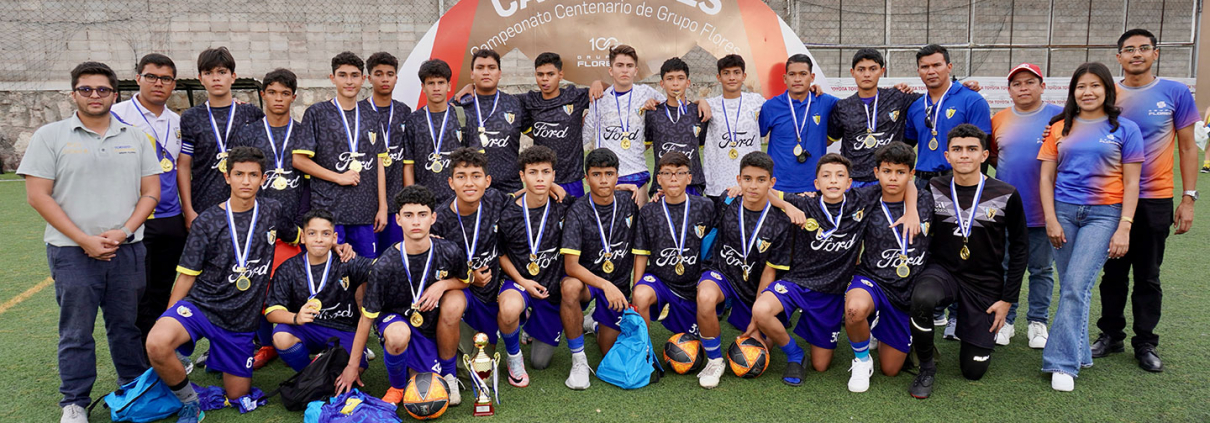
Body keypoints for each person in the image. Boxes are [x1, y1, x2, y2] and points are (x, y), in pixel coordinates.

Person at [19, 61, 161, 423]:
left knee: (126, 327)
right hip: (72, 253)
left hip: (126, 250)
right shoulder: (50, 136)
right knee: (76, 331)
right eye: (86, 89)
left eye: (102, 89)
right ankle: (74, 402)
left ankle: (134, 391)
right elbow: (38, 195)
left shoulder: (135, 137)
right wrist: (84, 239)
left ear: (115, 95)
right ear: (73, 94)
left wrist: (124, 231)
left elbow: (151, 192)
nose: (94, 95)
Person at [145, 146, 299, 422]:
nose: (246, 181)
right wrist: (167, 316)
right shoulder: (207, 221)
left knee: (238, 395)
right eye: (239, 174)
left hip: (240, 322)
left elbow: (299, 236)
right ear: (227, 177)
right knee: (157, 342)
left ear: (263, 179)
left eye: (253, 175)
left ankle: (219, 356)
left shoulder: (272, 210)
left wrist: (336, 245)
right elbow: (187, 276)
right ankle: (189, 401)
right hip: (203, 307)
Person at [752, 150, 917, 387]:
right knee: (761, 310)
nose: (833, 181)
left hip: (831, 293)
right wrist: (787, 206)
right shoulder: (803, 203)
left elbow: (906, 183)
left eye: (840, 175)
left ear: (849, 183)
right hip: (797, 282)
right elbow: (765, 191)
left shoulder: (861, 199)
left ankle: (871, 327)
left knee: (821, 365)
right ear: (816, 183)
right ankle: (795, 354)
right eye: (826, 176)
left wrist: (912, 211)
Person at [1094, 29, 1200, 372]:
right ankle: (1111, 335)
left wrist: (1188, 198)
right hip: (1111, 199)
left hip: (1154, 198)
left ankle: (1145, 342)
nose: (1136, 54)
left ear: (1155, 54)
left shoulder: (1175, 92)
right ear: (1119, 57)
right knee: (1112, 273)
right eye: (1129, 49)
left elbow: (1187, 147)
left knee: (1148, 275)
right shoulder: (1107, 94)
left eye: (1143, 48)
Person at [1039, 62, 1143, 392]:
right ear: (1073, 92)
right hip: (1063, 213)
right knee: (1073, 287)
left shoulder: (1126, 129)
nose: (1088, 92)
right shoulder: (1059, 128)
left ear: (1107, 89)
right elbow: (1046, 177)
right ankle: (1080, 352)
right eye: (1081, 86)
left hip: (1105, 215)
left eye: (1095, 85)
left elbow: (1132, 183)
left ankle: (1061, 363)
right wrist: (1051, 219)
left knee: (1075, 286)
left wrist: (1125, 226)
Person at [907, 124, 1028, 399]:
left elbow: (1020, 248)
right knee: (923, 298)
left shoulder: (1006, 193)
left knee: (973, 371)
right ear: (947, 156)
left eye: (972, 149)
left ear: (984, 155)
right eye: (957, 149)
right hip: (943, 271)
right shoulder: (934, 186)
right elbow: (907, 189)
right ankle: (926, 367)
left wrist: (1007, 300)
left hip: (984, 280)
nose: (964, 155)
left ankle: (970, 331)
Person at [357, 185, 471, 404]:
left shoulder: (449, 250)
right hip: (399, 320)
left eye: (422, 214)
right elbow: (367, 317)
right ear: (398, 219)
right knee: (399, 336)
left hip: (431, 320)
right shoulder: (385, 265)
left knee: (455, 301)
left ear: (433, 218)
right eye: (408, 215)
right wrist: (353, 367)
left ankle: (449, 375)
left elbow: (465, 281)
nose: (416, 222)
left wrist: (442, 285)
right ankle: (396, 387)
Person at [694, 152, 790, 388]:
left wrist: (756, 321)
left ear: (772, 182)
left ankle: (753, 320)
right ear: (738, 179)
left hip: (758, 285)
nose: (753, 186)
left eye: (761, 180)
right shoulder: (727, 201)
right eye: (747, 179)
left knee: (760, 348)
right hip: (724, 274)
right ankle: (715, 361)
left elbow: (770, 273)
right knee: (705, 296)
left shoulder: (780, 221)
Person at [110, 53, 187, 350]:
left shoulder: (176, 121)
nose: (158, 83)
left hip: (170, 218)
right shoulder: (116, 114)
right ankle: (138, 355)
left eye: (165, 79)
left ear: (173, 84)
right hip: (133, 219)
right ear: (138, 78)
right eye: (151, 76)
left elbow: (180, 166)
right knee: (134, 292)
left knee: (162, 289)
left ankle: (159, 349)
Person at [843, 145, 933, 393]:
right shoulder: (866, 198)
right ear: (876, 172)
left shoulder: (927, 200)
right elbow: (828, 195)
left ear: (911, 174)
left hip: (907, 289)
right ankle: (862, 361)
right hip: (872, 279)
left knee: (891, 369)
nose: (893, 178)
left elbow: (912, 189)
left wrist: (911, 209)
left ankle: (879, 324)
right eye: (887, 171)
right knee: (854, 310)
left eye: (900, 172)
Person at [988, 63, 1064, 348]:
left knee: (1041, 269)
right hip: (1006, 210)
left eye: (1029, 82)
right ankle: (1006, 321)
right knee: (1006, 267)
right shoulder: (999, 119)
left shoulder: (1059, 117)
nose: (1023, 88)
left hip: (1043, 209)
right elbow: (994, 156)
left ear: (1042, 86)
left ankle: (1037, 322)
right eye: (1017, 83)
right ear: (1009, 90)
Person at [293, 51, 388, 259]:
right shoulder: (317, 113)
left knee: (365, 270)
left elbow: (379, 162)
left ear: (363, 79)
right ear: (332, 78)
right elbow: (299, 160)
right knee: (331, 270)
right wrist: (338, 177)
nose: (349, 81)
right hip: (329, 212)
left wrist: (383, 206)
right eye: (342, 75)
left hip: (365, 212)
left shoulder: (372, 116)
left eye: (354, 75)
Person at [560, 148, 640, 389]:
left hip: (618, 286)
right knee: (569, 287)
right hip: (589, 283)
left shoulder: (629, 202)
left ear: (618, 176)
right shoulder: (577, 211)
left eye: (609, 174)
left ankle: (594, 324)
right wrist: (605, 285)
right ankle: (579, 360)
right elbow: (571, 266)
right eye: (596, 174)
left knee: (609, 350)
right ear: (587, 178)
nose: (603, 180)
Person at [264, 209, 370, 390]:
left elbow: (382, 269)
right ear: (303, 237)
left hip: (343, 328)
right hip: (307, 328)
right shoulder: (288, 268)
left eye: (326, 234)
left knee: (353, 373)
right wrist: (296, 317)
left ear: (334, 237)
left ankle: (324, 374)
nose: (319, 239)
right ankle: (310, 376)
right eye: (312, 233)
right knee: (281, 336)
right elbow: (271, 311)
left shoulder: (347, 260)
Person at [496, 145, 574, 386]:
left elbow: (598, 199)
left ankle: (531, 323)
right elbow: (500, 254)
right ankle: (513, 356)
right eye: (533, 172)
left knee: (540, 362)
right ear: (522, 175)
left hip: (551, 289)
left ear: (553, 175)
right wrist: (523, 281)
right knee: (509, 308)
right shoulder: (507, 212)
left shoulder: (564, 204)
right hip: (520, 283)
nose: (540, 178)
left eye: (545, 172)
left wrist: (625, 187)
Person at [430, 148, 509, 371]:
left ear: (487, 181)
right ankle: (448, 373)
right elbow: (434, 273)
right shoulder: (439, 221)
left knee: (483, 365)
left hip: (490, 293)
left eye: (476, 176)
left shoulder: (496, 200)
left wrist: (550, 187)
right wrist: (469, 278)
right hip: (458, 288)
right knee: (452, 306)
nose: (469, 183)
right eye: (461, 176)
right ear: (451, 182)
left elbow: (524, 200)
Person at [232, 68, 310, 272]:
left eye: (285, 93)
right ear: (263, 94)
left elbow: (309, 184)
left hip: (297, 227)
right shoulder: (248, 133)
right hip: (256, 223)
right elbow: (240, 181)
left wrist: (299, 222)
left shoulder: (304, 132)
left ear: (294, 97)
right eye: (272, 92)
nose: (278, 99)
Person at [178, 47, 265, 230]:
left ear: (233, 77)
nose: (215, 78)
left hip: (246, 206)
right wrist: (188, 210)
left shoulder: (251, 113)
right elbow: (184, 165)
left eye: (222, 72)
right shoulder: (191, 117)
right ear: (200, 79)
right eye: (208, 73)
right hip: (204, 205)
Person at [632, 151, 715, 337]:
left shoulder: (705, 206)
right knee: (641, 295)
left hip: (695, 283)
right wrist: (635, 289)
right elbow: (641, 253)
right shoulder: (648, 211)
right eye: (667, 173)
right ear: (659, 179)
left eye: (680, 173)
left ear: (689, 178)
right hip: (661, 281)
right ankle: (642, 349)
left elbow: (713, 245)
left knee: (695, 344)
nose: (674, 178)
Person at [582, 45, 666, 207]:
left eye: (629, 66)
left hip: (636, 172)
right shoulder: (600, 98)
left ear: (636, 70)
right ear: (611, 70)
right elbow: (584, 136)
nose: (625, 70)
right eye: (619, 65)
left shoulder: (646, 93)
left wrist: (700, 103)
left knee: (638, 220)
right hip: (606, 174)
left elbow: (673, 109)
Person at [828, 49, 922, 188]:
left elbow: (933, 98)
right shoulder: (842, 106)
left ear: (882, 71)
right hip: (854, 181)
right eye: (861, 69)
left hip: (890, 179)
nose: (867, 74)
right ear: (852, 72)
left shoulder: (898, 97)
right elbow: (828, 140)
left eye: (873, 69)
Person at [903, 44, 992, 191]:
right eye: (925, 67)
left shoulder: (972, 100)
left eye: (937, 65)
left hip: (958, 180)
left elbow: (983, 147)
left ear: (949, 67)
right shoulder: (916, 106)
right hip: (922, 182)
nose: (931, 71)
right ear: (918, 71)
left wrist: (975, 187)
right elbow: (907, 143)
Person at [758, 54, 840, 194]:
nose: (797, 79)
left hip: (815, 186)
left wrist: (831, 138)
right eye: (792, 74)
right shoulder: (771, 106)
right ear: (785, 78)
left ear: (812, 77)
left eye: (803, 74)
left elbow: (852, 109)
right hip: (778, 186)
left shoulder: (826, 102)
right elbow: (754, 134)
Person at [402, 59, 479, 203]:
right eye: (431, 83)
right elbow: (408, 165)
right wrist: (411, 200)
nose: (436, 88)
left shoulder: (463, 117)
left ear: (449, 86)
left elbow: (476, 162)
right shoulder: (413, 120)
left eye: (441, 83)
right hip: (424, 200)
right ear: (423, 87)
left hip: (457, 198)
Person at [453, 49, 529, 193]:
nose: (486, 72)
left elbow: (539, 133)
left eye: (491, 68)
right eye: (480, 68)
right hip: (471, 187)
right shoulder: (458, 105)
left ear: (499, 73)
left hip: (510, 187)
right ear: (472, 73)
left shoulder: (515, 103)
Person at [520, 53, 593, 199]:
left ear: (560, 75)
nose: (545, 79)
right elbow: (499, 99)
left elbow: (610, 92)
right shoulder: (529, 100)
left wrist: (599, 83)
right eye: (540, 74)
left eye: (550, 74)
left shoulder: (574, 96)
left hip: (572, 178)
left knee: (575, 213)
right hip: (543, 179)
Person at [362, 52, 414, 257]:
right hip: (366, 203)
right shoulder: (359, 111)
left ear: (396, 78)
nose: (385, 79)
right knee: (368, 262)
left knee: (396, 259)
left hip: (397, 201)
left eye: (389, 74)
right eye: (379, 74)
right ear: (369, 78)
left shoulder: (404, 112)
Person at [702, 55, 766, 201]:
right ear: (718, 77)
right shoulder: (710, 105)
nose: (732, 77)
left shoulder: (756, 101)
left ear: (744, 76)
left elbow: (782, 104)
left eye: (736, 73)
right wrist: (700, 101)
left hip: (750, 183)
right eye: (726, 73)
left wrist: (811, 89)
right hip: (718, 183)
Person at [645, 58, 707, 196]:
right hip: (663, 184)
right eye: (670, 78)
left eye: (680, 78)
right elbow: (646, 144)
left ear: (688, 82)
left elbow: (701, 145)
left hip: (692, 183)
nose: (675, 83)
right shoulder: (653, 113)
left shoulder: (698, 112)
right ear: (662, 83)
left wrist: (702, 101)